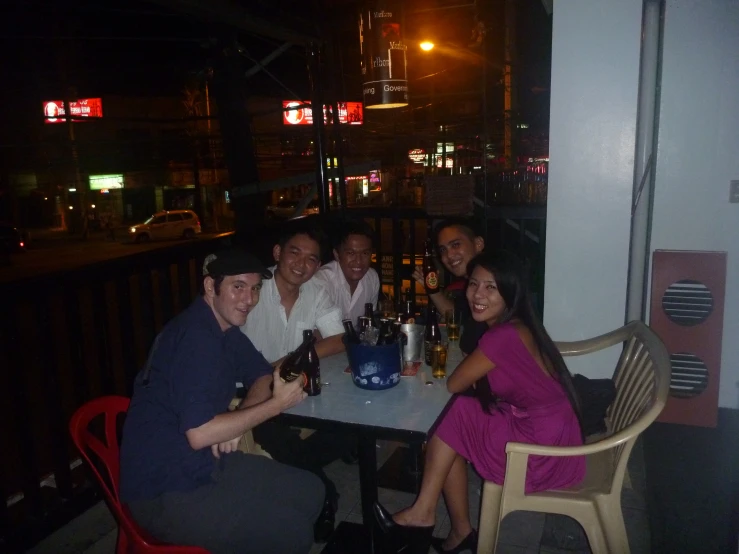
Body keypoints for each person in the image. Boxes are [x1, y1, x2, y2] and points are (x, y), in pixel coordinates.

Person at [375, 251, 585, 554]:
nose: (477, 294)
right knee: (454, 420)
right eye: (474, 284)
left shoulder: (502, 335)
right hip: (551, 429)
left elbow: (455, 382)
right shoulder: (518, 324)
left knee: (450, 414)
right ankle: (457, 531)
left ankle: (425, 513)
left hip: (539, 449)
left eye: (491, 287)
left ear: (510, 293)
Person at [119, 248, 324, 554]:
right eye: (237, 287)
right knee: (291, 532)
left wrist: (238, 421)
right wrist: (275, 406)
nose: (249, 299)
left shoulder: (225, 330)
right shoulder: (196, 339)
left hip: (202, 464)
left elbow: (262, 376)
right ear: (210, 287)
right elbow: (200, 433)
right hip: (164, 489)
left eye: (254, 289)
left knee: (311, 491)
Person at [239, 223, 353, 540]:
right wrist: (270, 372)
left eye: (312, 259)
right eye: (295, 252)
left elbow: (340, 339)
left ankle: (293, 465)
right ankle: (324, 494)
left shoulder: (315, 291)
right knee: (276, 434)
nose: (302, 264)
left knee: (355, 424)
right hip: (251, 391)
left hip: (293, 386)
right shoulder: (251, 290)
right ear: (277, 253)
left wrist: (289, 360)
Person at [413, 218, 488, 355]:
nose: (449, 255)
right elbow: (457, 316)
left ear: (478, 244)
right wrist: (431, 288)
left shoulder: (494, 282)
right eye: (443, 249)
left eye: (455, 245)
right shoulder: (471, 284)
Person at [314, 218, 380, 324]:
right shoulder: (322, 281)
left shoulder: (372, 278)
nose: (358, 261)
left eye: (365, 253)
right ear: (337, 254)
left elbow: (369, 324)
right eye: (351, 253)